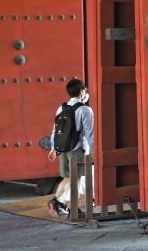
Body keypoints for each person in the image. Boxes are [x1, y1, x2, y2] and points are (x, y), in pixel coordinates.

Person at [47, 78, 94, 218]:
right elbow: (90, 133)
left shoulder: (61, 108)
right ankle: (73, 208)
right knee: (77, 178)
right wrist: (92, 152)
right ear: (82, 91)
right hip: (77, 148)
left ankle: (57, 202)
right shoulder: (85, 109)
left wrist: (53, 148)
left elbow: (55, 130)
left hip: (63, 148)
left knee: (68, 176)